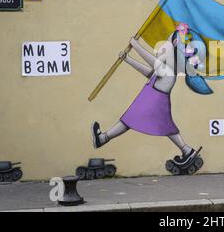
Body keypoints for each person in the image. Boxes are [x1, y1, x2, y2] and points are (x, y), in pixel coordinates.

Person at [91, 23, 213, 168]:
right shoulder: (167, 71)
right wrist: (128, 59)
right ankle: (187, 150)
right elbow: (149, 73)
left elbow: (153, 63)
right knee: (149, 124)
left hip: (153, 104)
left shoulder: (168, 72)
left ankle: (103, 138)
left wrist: (135, 45)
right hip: (151, 102)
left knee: (133, 121)